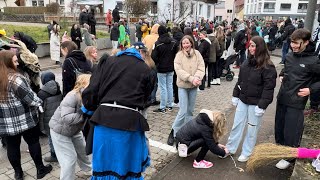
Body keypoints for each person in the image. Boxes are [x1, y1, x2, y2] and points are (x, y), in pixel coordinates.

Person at [81, 42, 154, 179]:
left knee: (104, 170)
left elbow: (91, 92)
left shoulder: (107, 62)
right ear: (141, 54)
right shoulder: (146, 69)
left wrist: (89, 110)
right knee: (129, 170)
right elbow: (145, 100)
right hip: (131, 124)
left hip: (104, 121)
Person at [0, 50, 52, 180]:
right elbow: (31, 99)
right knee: (33, 142)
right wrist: (40, 100)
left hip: (6, 123)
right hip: (25, 119)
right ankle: (40, 169)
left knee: (12, 147)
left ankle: (18, 174)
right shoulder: (16, 79)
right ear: (7, 62)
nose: (17, 63)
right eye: (15, 61)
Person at [225, 36, 277, 162]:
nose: (250, 48)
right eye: (250, 45)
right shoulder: (246, 63)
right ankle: (230, 148)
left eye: (253, 46)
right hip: (243, 100)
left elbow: (269, 88)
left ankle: (247, 152)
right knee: (236, 125)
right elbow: (240, 81)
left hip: (256, 104)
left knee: (252, 128)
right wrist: (235, 95)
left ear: (260, 47)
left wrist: (262, 105)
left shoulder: (268, 67)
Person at [275, 29, 320, 169]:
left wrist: (310, 90)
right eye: (292, 42)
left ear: (306, 42)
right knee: (279, 128)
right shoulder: (289, 56)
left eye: (296, 43)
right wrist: (282, 74)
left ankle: (290, 157)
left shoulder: (314, 60)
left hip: (297, 102)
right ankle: (280, 150)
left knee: (291, 131)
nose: (293, 46)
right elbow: (286, 69)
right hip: (282, 97)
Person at [49, 74, 92, 180]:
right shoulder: (72, 96)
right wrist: (83, 114)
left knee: (83, 151)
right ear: (83, 84)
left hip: (74, 130)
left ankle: (89, 171)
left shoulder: (88, 96)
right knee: (69, 159)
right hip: (60, 131)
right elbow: (66, 118)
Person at [167, 35, 205, 146]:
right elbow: (178, 70)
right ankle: (173, 131)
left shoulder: (197, 54)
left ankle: (188, 133)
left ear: (191, 43)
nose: (186, 45)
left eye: (187, 43)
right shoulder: (179, 56)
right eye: (184, 43)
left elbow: (201, 67)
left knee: (190, 111)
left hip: (193, 87)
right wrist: (191, 78)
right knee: (182, 111)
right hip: (183, 86)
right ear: (181, 45)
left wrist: (197, 77)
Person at [151, 25, 178, 113]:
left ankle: (162, 106)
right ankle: (170, 105)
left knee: (163, 87)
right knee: (169, 86)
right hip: (171, 67)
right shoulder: (174, 42)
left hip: (161, 68)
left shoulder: (158, 43)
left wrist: (158, 63)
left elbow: (153, 56)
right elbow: (176, 54)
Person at [37, 71, 62, 163]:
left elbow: (39, 108)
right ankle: (61, 153)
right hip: (58, 117)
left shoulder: (42, 93)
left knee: (51, 138)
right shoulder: (58, 88)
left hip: (48, 120)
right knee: (59, 137)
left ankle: (54, 155)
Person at [142, 24, 160, 106]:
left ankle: (147, 97)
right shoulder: (159, 38)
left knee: (146, 80)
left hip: (146, 61)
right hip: (155, 62)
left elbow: (142, 47)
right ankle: (153, 98)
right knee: (155, 81)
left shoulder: (146, 37)